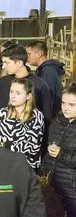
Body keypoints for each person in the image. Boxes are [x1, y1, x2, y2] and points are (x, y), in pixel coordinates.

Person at [0, 79, 45, 170]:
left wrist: (6, 145)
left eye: (18, 93)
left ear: (28, 96)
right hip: (2, 165)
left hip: (26, 168)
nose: (13, 96)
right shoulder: (2, 113)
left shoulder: (36, 116)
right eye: (11, 92)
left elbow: (32, 147)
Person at [0, 44, 52, 124]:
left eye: (7, 63)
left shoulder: (39, 85)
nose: (3, 66)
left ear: (19, 63)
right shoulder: (3, 82)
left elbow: (46, 116)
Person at [42, 82, 76, 217]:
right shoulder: (57, 122)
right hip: (52, 184)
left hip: (72, 189)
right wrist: (44, 169)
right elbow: (48, 149)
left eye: (71, 105)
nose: (66, 108)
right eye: (63, 103)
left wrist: (61, 154)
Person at [27, 40, 65, 118]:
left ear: (39, 54)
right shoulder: (45, 69)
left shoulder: (47, 71)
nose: (27, 57)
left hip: (50, 116)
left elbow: (47, 96)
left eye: (29, 54)